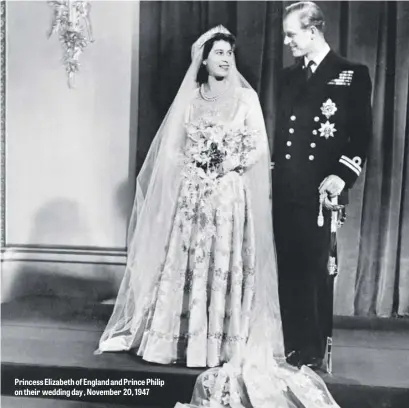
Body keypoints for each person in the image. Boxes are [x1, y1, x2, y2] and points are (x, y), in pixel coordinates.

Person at [96, 25, 342, 408]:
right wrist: (195, 167)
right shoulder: (191, 100)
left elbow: (257, 149)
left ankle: (221, 345)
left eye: (230, 53)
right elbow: (173, 150)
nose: (226, 59)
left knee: (225, 265)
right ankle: (184, 343)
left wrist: (224, 163)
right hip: (195, 197)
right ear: (204, 59)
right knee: (189, 266)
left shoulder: (246, 100)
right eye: (219, 53)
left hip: (229, 196)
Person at [272, 2, 373, 369]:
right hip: (286, 189)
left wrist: (342, 176)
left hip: (320, 193)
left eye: (292, 34)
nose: (287, 42)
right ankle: (291, 346)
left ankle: (313, 351)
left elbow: (360, 136)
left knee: (315, 270)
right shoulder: (288, 78)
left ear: (313, 31)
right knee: (288, 268)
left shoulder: (351, 73)